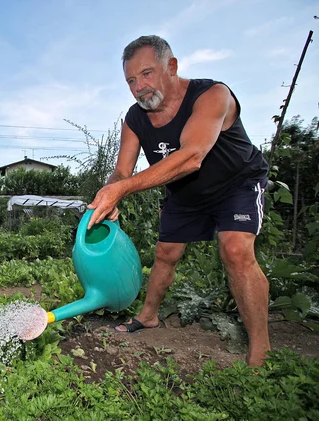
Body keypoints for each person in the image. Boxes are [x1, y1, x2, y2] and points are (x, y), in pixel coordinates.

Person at [87, 35, 271, 367]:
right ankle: (149, 316)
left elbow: (193, 156)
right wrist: (111, 191)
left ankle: (261, 350)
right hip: (185, 192)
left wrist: (124, 189)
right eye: (131, 80)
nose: (139, 87)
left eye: (146, 74)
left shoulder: (213, 95)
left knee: (235, 251)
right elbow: (121, 171)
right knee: (165, 254)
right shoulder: (135, 118)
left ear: (171, 67)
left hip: (236, 184)